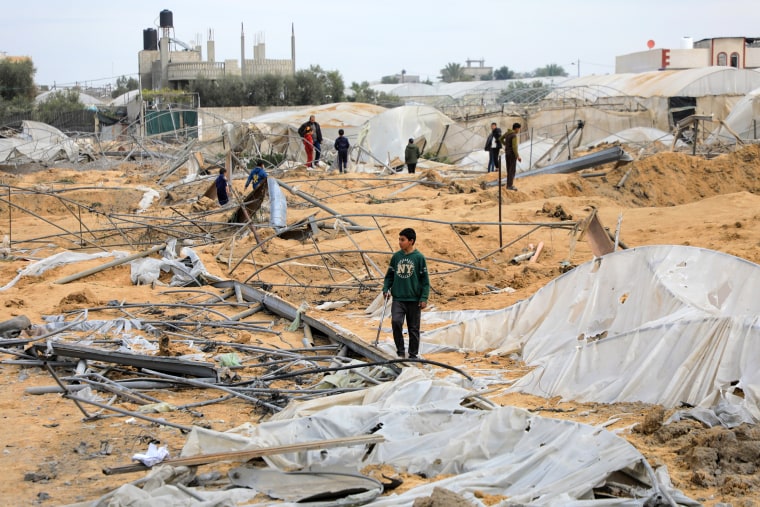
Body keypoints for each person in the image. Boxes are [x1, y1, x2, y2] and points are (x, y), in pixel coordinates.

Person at [382, 228, 430, 359]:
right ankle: (400, 351)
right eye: (399, 239)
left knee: (413, 328)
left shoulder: (419, 258)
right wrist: (386, 289)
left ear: (411, 241)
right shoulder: (396, 257)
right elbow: (389, 276)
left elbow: (425, 281)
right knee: (396, 322)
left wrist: (424, 297)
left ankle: (413, 355)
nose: (399, 242)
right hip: (398, 298)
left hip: (414, 299)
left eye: (402, 240)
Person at [500, 122, 522, 191]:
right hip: (512, 155)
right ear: (516, 128)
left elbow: (500, 139)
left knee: (509, 169)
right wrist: (518, 156)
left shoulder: (507, 133)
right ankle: (510, 186)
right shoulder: (513, 135)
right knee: (512, 170)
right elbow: (514, 147)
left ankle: (508, 185)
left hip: (507, 153)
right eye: (518, 129)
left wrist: (506, 144)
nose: (518, 130)